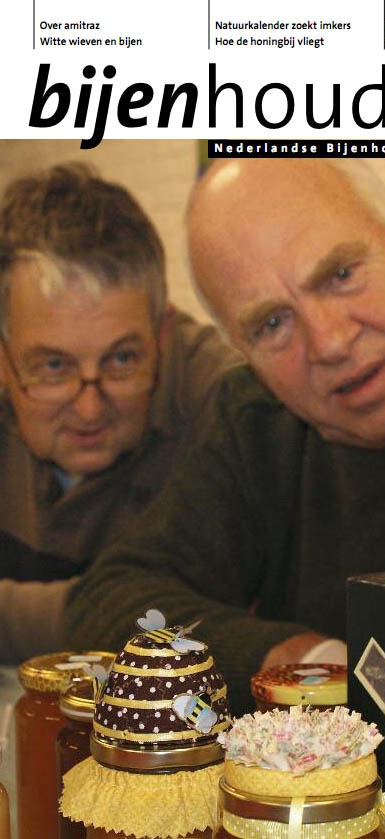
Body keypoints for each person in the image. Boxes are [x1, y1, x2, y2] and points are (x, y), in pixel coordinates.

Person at [64, 161, 385, 714]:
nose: (330, 342)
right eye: (272, 324)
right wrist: (301, 661)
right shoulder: (258, 421)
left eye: (340, 274)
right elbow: (109, 599)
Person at [0, 163, 241, 661]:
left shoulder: (228, 404)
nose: (89, 409)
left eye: (123, 359)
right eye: (53, 366)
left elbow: (206, 626)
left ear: (162, 336)